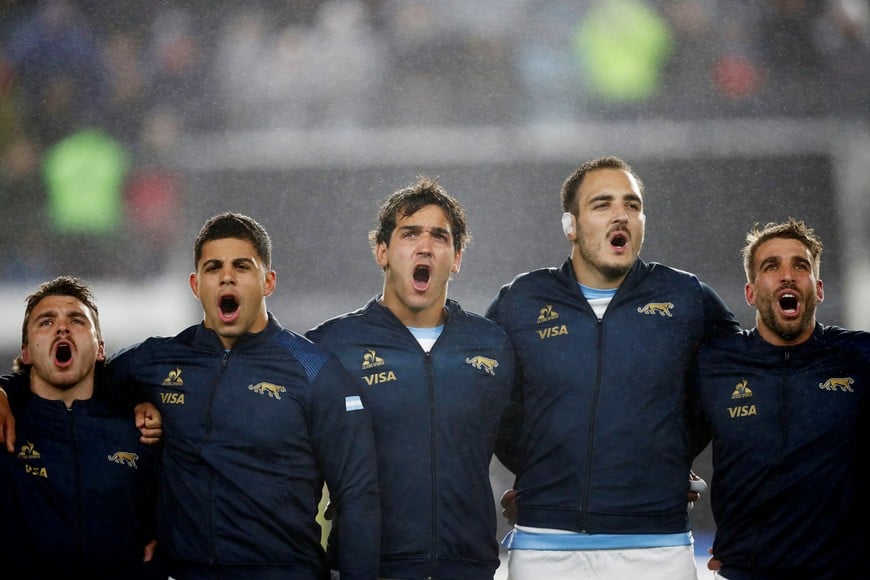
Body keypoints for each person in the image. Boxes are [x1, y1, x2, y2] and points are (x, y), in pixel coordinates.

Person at [0, 212, 382, 580]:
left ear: (268, 282)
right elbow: (72, 377)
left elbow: (358, 493)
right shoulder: (153, 361)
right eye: (214, 268)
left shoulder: (315, 370)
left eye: (242, 267)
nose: (226, 278)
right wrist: (6, 389)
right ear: (196, 285)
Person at [487, 155, 740, 580]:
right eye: (602, 204)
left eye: (633, 205)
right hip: (545, 547)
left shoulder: (687, 297)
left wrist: (667, 453)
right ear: (571, 225)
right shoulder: (521, 301)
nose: (621, 214)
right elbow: (486, 406)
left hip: (658, 547)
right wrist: (541, 465)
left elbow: (742, 384)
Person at [306, 176, 515, 579]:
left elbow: (532, 435)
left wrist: (541, 491)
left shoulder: (492, 345)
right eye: (410, 234)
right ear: (382, 251)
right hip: (368, 570)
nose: (425, 246)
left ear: (455, 258)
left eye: (440, 236)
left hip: (468, 568)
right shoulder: (330, 346)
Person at [694, 218, 869, 579]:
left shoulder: (859, 356)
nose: (787, 276)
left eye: (800, 266)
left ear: (818, 289)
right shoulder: (714, 364)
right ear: (751, 292)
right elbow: (656, 430)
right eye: (771, 266)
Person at [0, 276, 165, 579]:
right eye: (46, 322)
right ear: (25, 353)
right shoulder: (6, 425)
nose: (62, 327)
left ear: (100, 349)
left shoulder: (142, 429)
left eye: (77, 320)